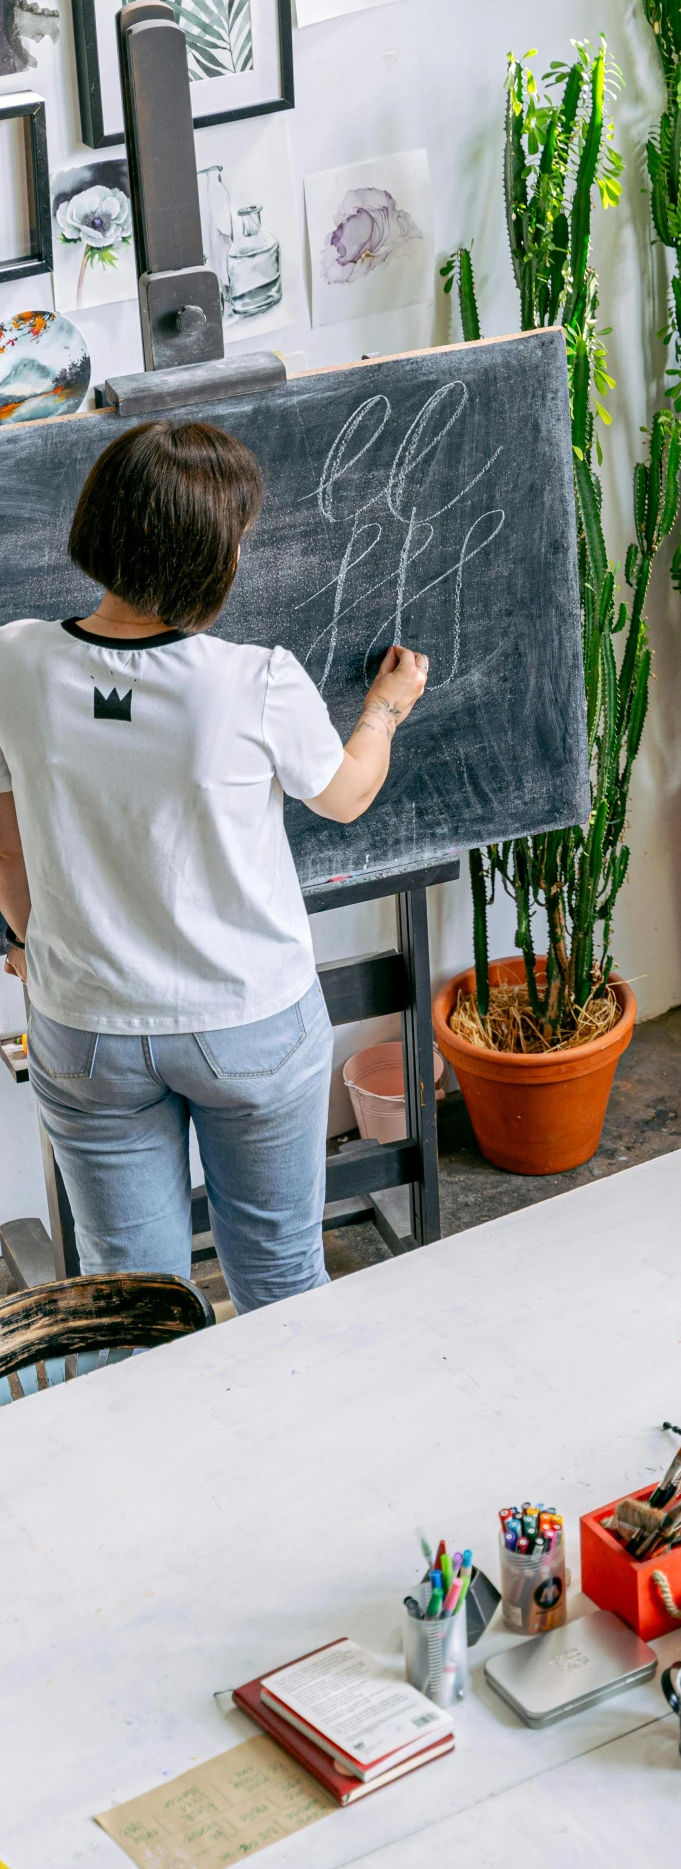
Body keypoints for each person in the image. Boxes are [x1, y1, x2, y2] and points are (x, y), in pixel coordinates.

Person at [0, 419, 428, 1320]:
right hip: (248, 1018)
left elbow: (2, 816)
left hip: (85, 1024)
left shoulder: (16, 660)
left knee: (139, 1302)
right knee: (278, 1281)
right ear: (213, 556)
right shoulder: (254, 680)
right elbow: (345, 795)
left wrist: (27, 936)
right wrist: (384, 709)